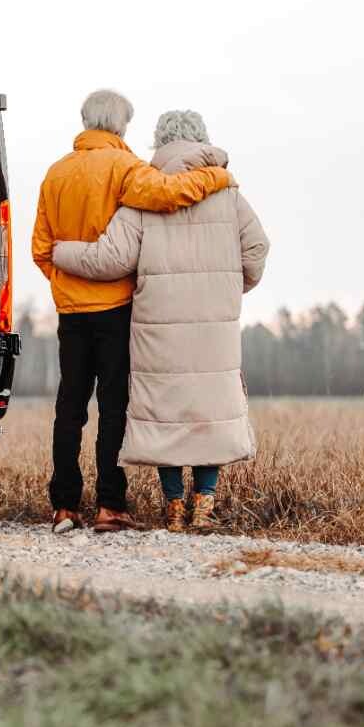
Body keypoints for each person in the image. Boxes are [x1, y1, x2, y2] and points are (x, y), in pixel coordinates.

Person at [52, 109, 270, 531]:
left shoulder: (146, 191)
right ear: (203, 140)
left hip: (158, 321)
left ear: (159, 142)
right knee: (210, 405)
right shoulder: (227, 193)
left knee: (166, 409)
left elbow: (111, 258)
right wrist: (230, 287)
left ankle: (173, 506)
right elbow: (257, 249)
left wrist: (61, 251)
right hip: (215, 319)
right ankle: (203, 503)